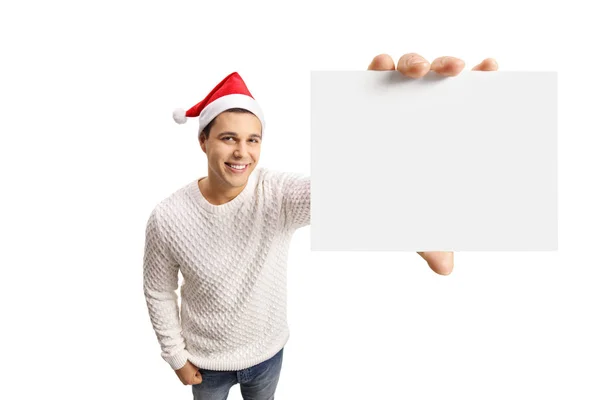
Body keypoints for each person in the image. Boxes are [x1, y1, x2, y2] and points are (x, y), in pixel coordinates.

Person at [142, 52, 498, 400]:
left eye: (253, 139)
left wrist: (389, 127)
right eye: (229, 138)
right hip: (205, 365)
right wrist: (176, 358)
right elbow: (159, 291)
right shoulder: (168, 216)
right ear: (203, 141)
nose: (242, 152)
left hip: (268, 354)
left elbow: (338, 191)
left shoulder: (276, 194)